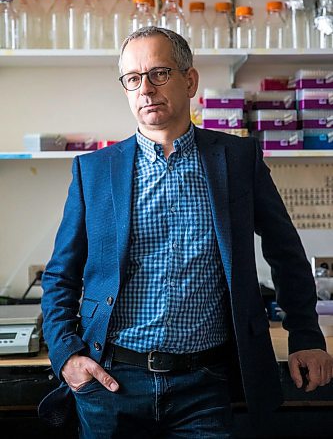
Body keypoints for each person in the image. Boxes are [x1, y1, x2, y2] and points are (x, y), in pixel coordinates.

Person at [40, 26, 333, 438]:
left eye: (159, 73)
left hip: (205, 386)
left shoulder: (237, 159)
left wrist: (306, 335)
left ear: (189, 80)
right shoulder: (94, 171)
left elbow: (285, 251)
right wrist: (67, 354)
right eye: (133, 79)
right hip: (111, 384)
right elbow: (59, 276)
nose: (146, 89)